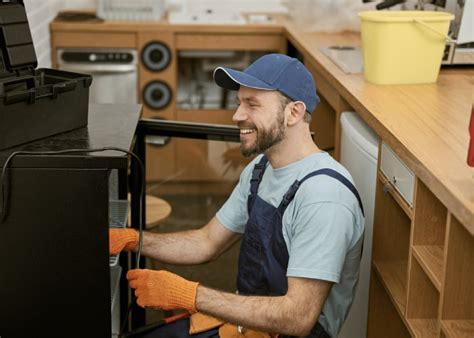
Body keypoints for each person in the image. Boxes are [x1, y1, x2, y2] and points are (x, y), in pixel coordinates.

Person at [110, 54, 365, 338]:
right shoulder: (262, 168)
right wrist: (133, 240)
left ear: (293, 113)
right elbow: (206, 242)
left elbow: (298, 318)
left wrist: (190, 295)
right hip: (248, 324)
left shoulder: (324, 197)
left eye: (252, 104)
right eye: (239, 103)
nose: (237, 115)